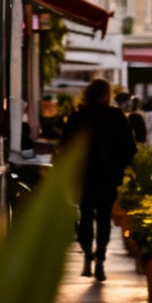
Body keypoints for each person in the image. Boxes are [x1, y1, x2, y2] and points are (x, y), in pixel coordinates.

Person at [59, 78, 136, 281]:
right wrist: (119, 167)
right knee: (103, 217)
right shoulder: (116, 116)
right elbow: (130, 147)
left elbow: (65, 147)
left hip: (84, 175)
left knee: (85, 214)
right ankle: (100, 258)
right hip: (108, 176)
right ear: (106, 95)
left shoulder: (78, 117)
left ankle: (87, 255)